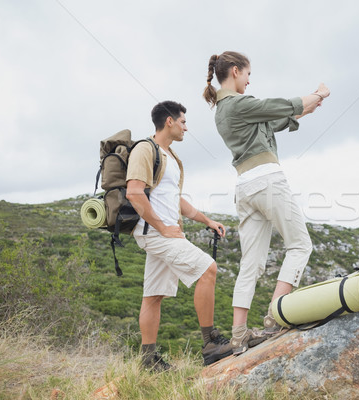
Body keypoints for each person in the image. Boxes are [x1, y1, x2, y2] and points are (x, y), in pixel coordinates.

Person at [203, 51, 330, 355]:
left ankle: (238, 337)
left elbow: (271, 121)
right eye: (247, 74)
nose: (249, 80)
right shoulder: (239, 103)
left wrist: (303, 111)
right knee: (300, 246)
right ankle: (275, 318)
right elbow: (276, 106)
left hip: (245, 187)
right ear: (235, 71)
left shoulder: (224, 110)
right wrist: (317, 94)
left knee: (251, 263)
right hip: (267, 181)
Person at [126, 100, 232, 370]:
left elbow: (175, 199)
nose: (186, 127)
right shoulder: (145, 149)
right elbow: (134, 192)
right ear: (169, 121)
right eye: (183, 121)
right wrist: (162, 227)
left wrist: (206, 219)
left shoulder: (170, 157)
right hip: (157, 234)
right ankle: (210, 343)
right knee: (208, 269)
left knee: (153, 295)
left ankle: (148, 360)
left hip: (164, 233)